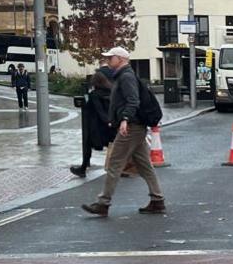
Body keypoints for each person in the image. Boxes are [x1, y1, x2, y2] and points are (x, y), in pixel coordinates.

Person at [82, 47, 165, 216]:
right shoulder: (124, 75)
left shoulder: (126, 77)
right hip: (136, 126)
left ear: (120, 59)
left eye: (110, 57)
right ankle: (157, 200)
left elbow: (133, 100)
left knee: (114, 163)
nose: (108, 60)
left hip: (131, 127)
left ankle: (103, 203)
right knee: (144, 165)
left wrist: (125, 119)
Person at [70, 66, 116, 177]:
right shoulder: (111, 92)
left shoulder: (94, 95)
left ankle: (83, 168)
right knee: (116, 145)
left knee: (87, 145)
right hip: (110, 125)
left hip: (97, 127)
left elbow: (98, 110)